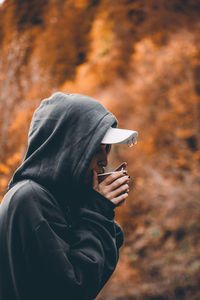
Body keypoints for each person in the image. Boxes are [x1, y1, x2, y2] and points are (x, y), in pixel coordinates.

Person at [0, 92, 138, 300]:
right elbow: (73, 290)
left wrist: (98, 210)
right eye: (96, 150)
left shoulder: (51, 200)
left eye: (106, 150)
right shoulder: (30, 199)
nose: (104, 160)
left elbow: (93, 277)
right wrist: (97, 212)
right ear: (66, 148)